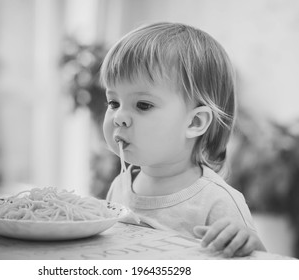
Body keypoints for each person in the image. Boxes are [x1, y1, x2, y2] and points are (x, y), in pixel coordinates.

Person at [100, 22, 266, 258]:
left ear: (195, 123)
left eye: (143, 105)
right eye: (113, 103)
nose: (119, 117)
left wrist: (248, 243)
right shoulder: (120, 185)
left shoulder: (216, 201)